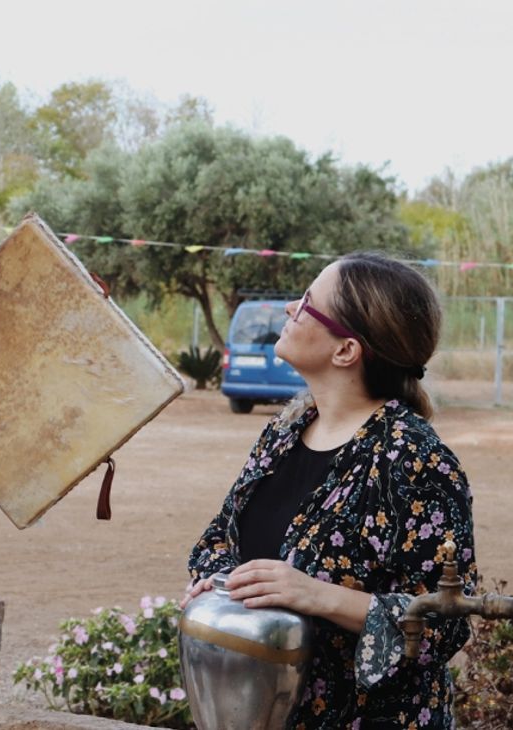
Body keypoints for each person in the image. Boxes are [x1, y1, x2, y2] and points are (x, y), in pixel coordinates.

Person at [182, 253, 477, 729]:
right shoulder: (284, 433)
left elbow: (444, 622)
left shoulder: (416, 461)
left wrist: (316, 596)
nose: (288, 311)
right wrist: (218, 583)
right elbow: (218, 540)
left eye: (305, 304)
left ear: (346, 351)